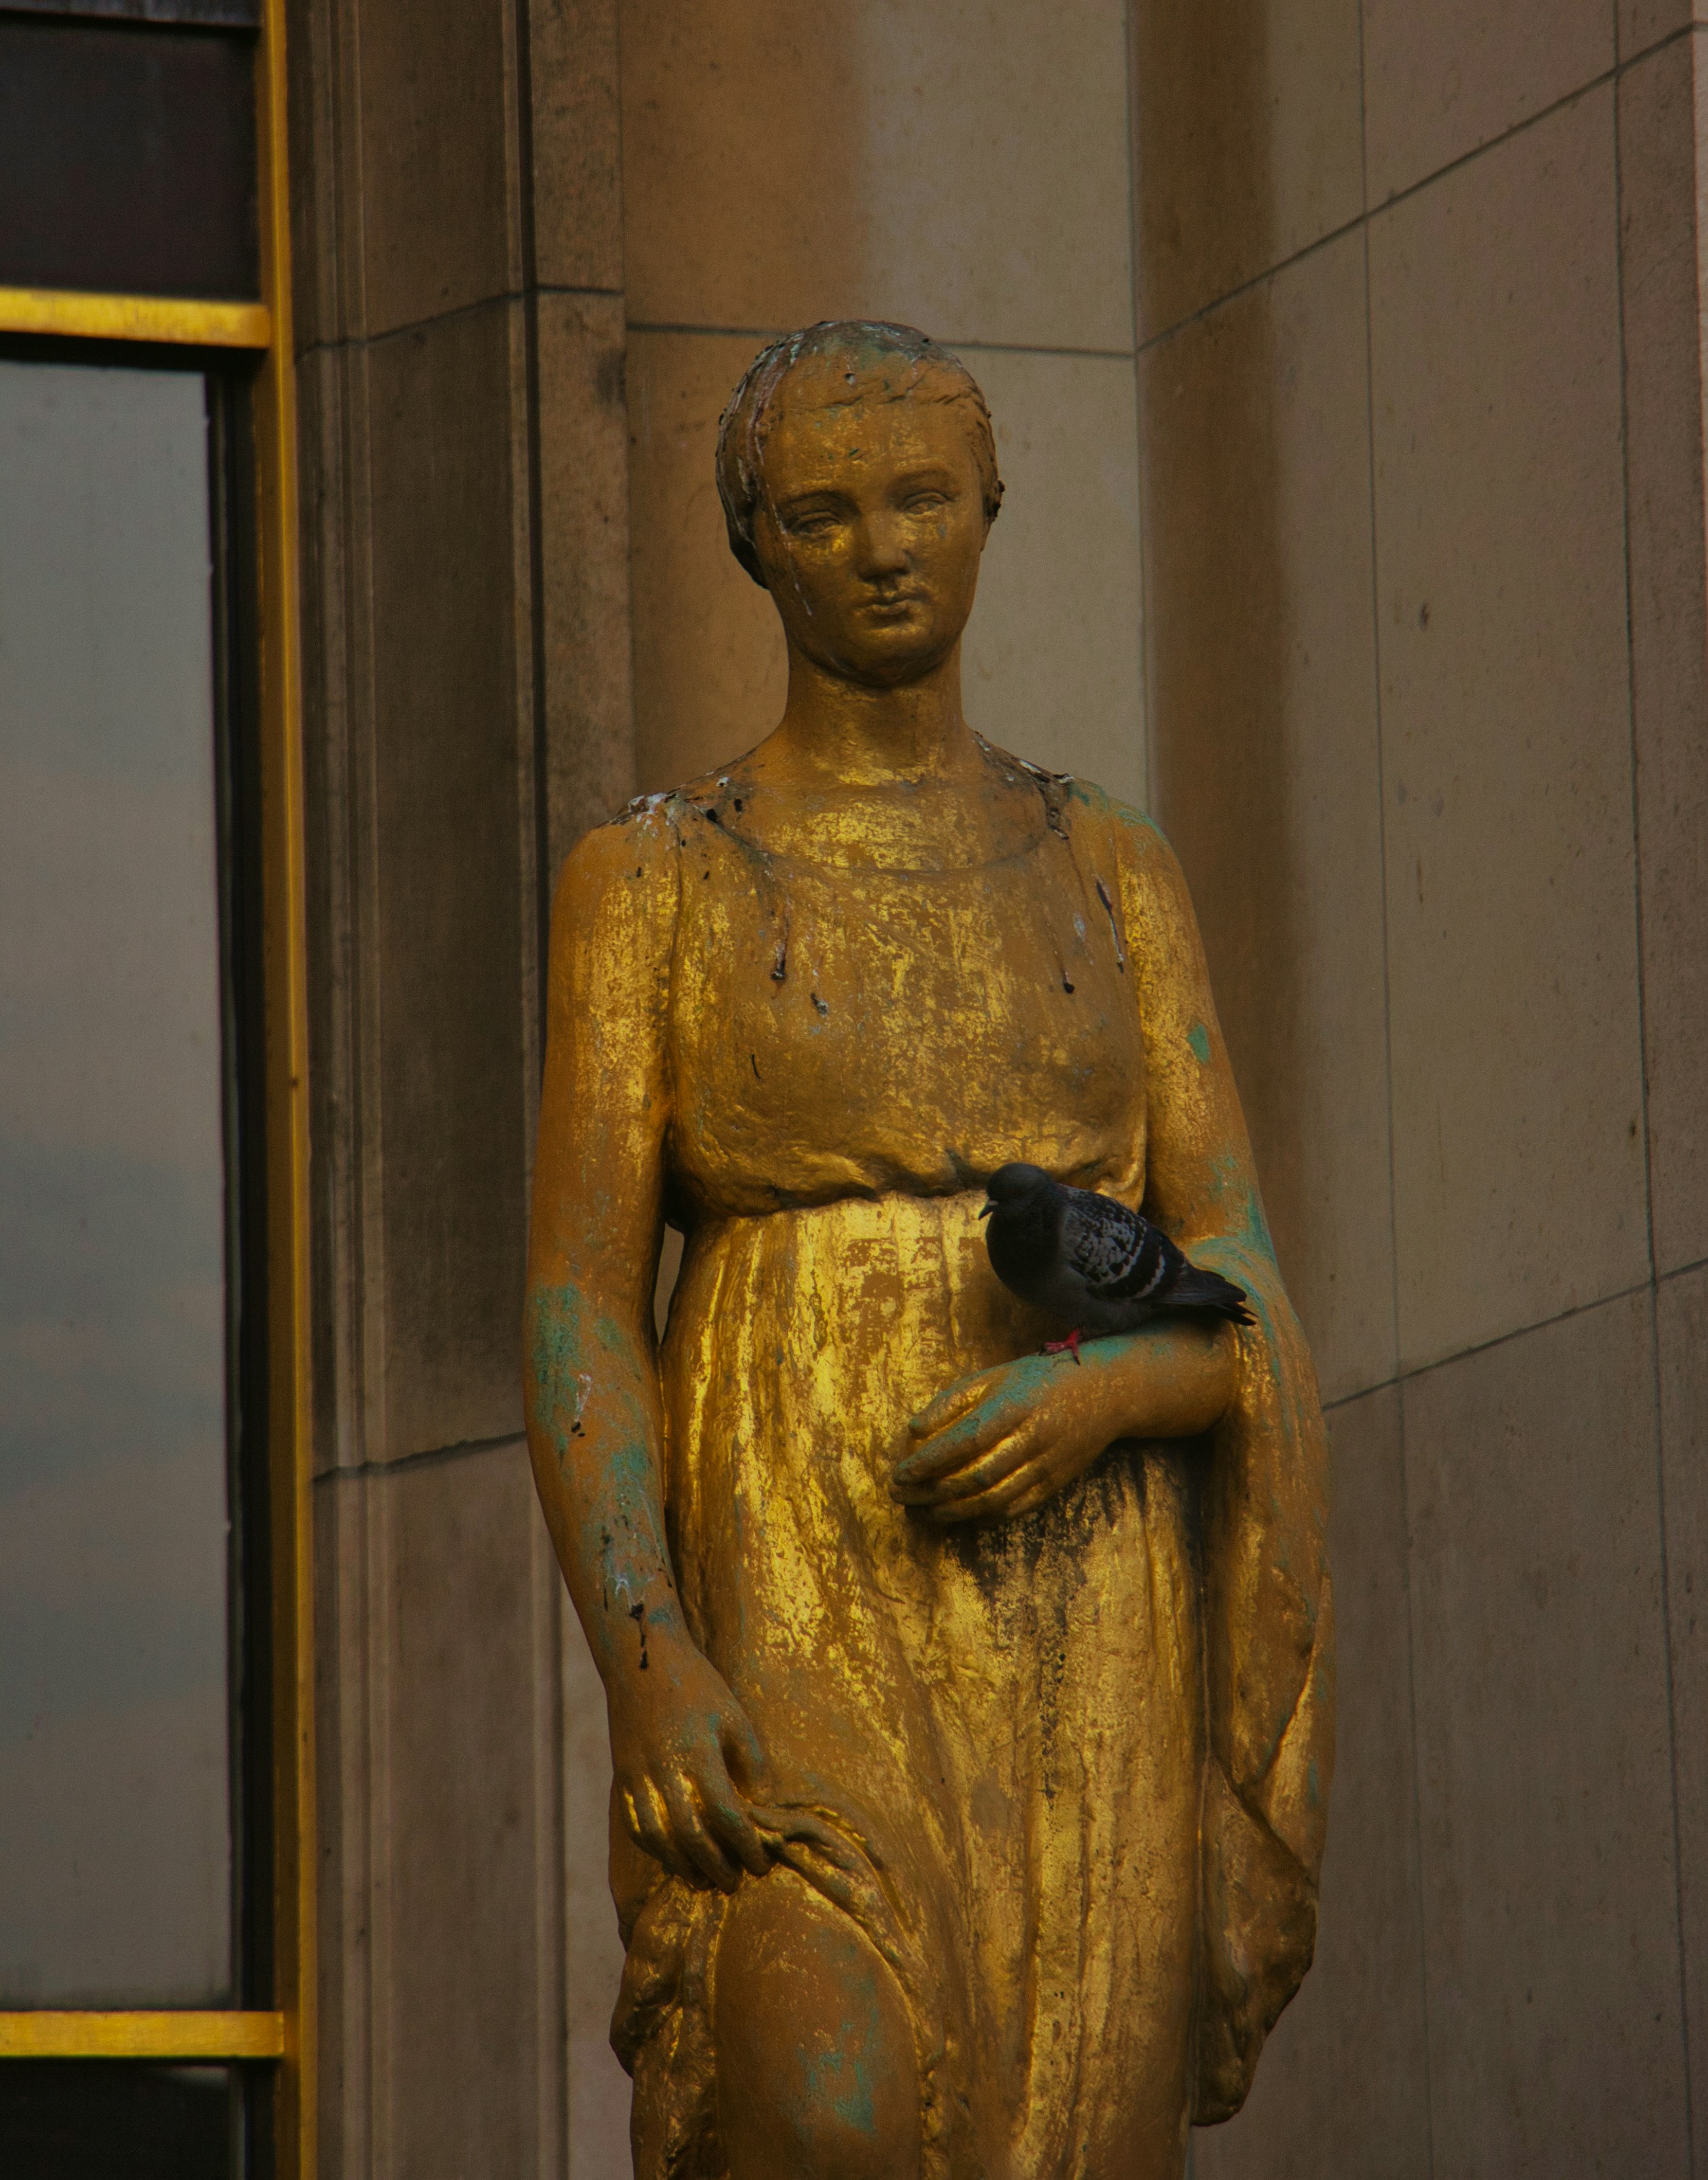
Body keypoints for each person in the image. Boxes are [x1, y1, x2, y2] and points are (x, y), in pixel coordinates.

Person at [524, 320, 1332, 2180]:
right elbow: (579, 1301)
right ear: (753, 543)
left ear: (989, 511)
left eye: (921, 500)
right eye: (823, 512)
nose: (885, 548)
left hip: (1083, 1615)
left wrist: (1115, 1382)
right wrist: (647, 1652)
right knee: (825, 2117)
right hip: (791, 1571)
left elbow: (1244, 1291)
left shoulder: (1109, 867)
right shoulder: (654, 876)